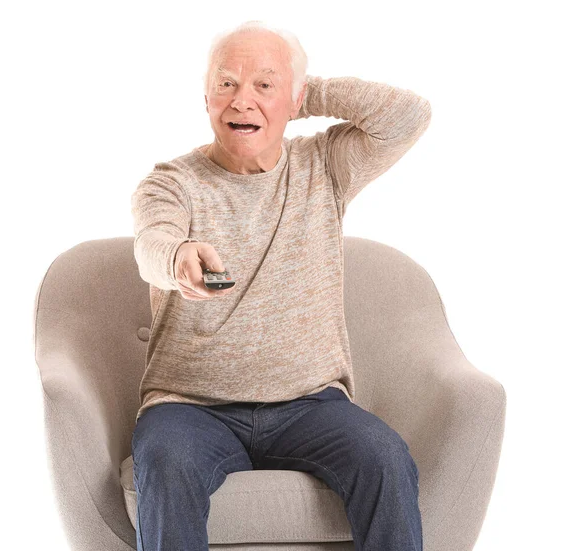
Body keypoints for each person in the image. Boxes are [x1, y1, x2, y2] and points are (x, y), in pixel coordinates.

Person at [130, 19, 431, 551]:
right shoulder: (170, 182)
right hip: (191, 407)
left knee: (384, 456)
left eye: (262, 86)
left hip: (311, 406)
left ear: (295, 100)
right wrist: (178, 258)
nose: (241, 101)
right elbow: (153, 243)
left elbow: (409, 115)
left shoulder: (326, 166)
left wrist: (302, 91)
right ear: (205, 99)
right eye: (226, 84)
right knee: (167, 461)